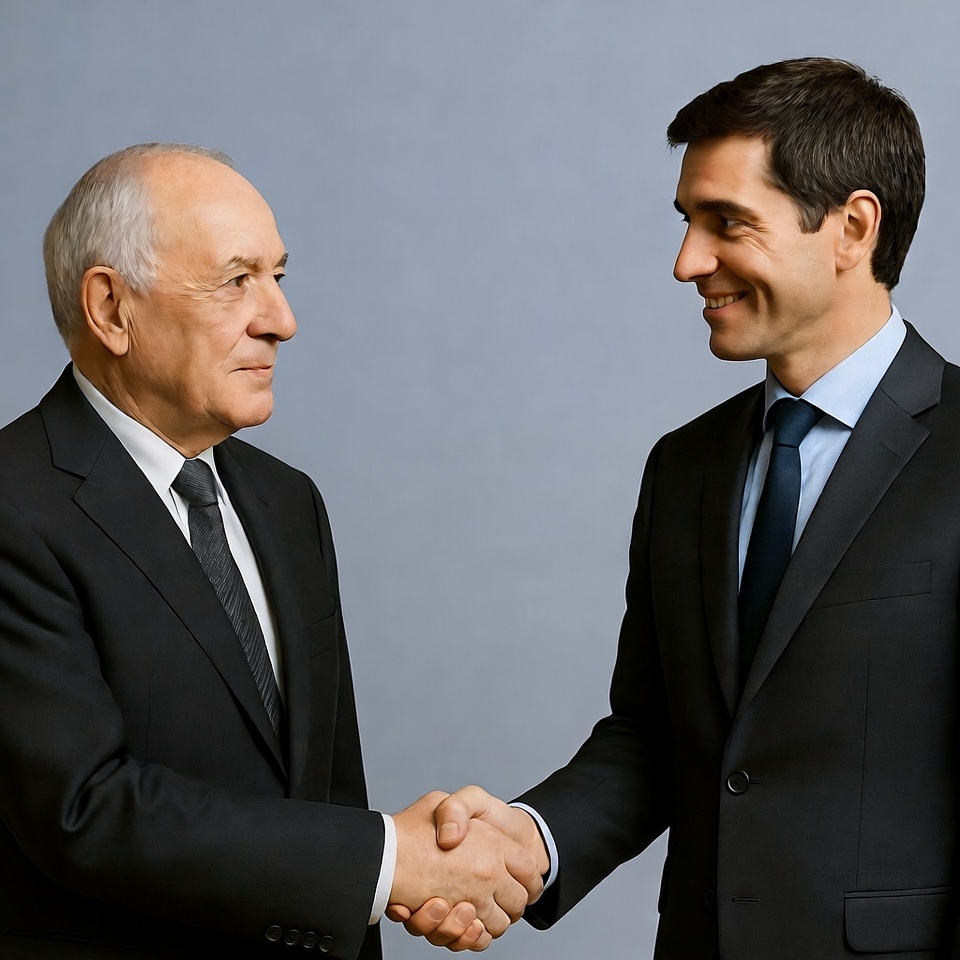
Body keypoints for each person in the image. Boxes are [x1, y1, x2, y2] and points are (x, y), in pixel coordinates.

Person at [398, 58, 958, 958]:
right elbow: (656, 737)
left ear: (853, 228)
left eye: (726, 223)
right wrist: (526, 843)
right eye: (687, 222)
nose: (687, 262)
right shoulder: (685, 467)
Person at [0, 143, 542, 959]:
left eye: (278, 276)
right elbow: (85, 809)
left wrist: (390, 870)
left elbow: (326, 792)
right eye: (235, 280)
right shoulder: (14, 507)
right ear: (112, 308)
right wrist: (392, 861)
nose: (280, 319)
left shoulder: (286, 502)